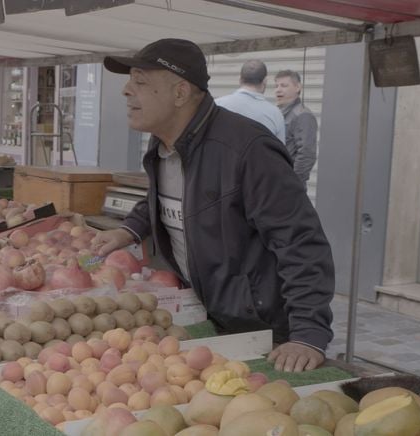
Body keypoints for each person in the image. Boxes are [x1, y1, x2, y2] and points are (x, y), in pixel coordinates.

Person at [95, 39, 335, 373]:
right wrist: (131, 228)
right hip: (213, 317)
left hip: (265, 330)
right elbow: (173, 197)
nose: (125, 91)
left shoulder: (248, 150)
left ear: (180, 93)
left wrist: (308, 333)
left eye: (140, 81)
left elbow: (301, 241)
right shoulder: (164, 142)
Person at [215, 59, 286, 143]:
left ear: (240, 79)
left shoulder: (217, 105)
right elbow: (280, 152)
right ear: (265, 81)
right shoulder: (275, 114)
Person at [275, 70, 318, 184]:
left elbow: (306, 154)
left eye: (284, 85)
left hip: (288, 187)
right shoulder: (278, 114)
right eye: (276, 85)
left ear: (298, 87)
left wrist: (292, 184)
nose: (278, 89)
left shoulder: (303, 115)